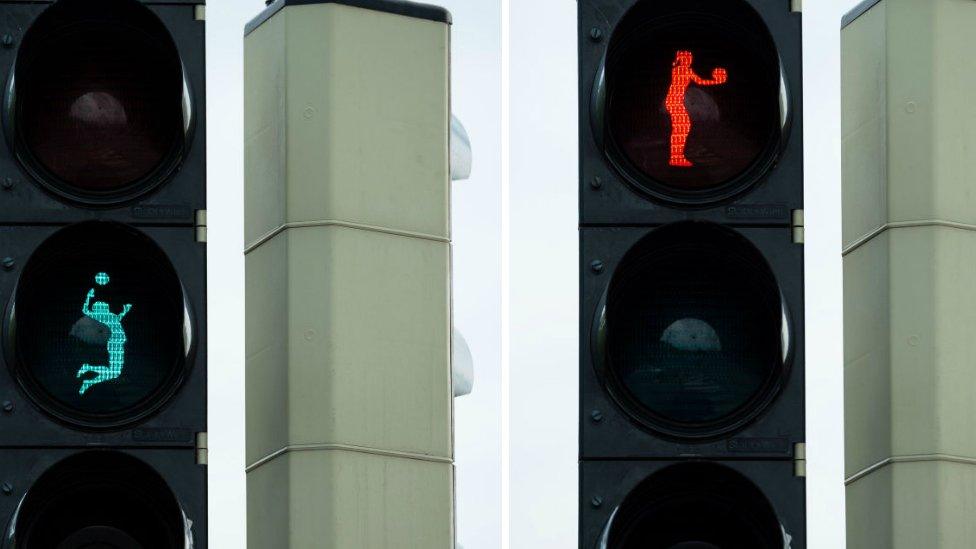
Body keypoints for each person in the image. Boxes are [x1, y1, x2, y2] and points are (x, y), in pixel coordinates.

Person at [665, 50, 728, 168]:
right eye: (687, 58)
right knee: (681, 129)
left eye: (690, 58)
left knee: (683, 128)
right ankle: (676, 156)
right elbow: (699, 81)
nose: (689, 60)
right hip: (675, 101)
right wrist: (716, 81)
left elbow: (700, 81)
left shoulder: (684, 70)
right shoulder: (681, 70)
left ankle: (677, 155)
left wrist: (716, 81)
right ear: (683, 60)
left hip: (675, 101)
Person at [76, 273, 132, 395]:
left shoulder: (109, 316)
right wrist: (88, 297)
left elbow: (118, 319)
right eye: (103, 305)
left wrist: (125, 311)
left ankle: (88, 375)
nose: (105, 305)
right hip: (115, 343)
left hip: (118, 342)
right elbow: (85, 310)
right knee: (115, 372)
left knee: (114, 372)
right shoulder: (102, 316)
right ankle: (88, 378)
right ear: (100, 308)